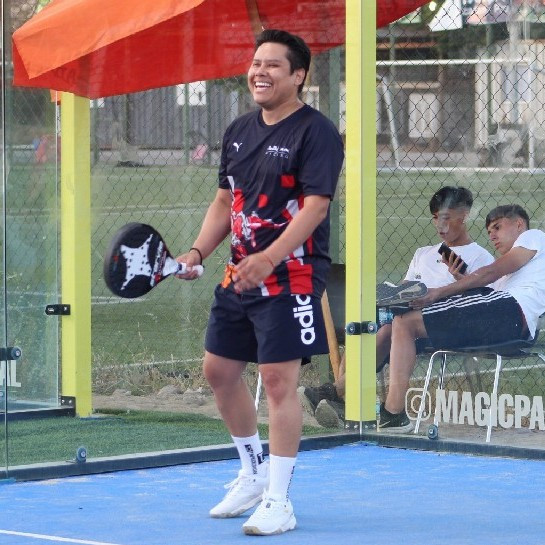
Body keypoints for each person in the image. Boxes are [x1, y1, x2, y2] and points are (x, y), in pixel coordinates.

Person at [176, 29, 344, 536]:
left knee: (276, 380)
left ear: (299, 75)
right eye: (256, 63)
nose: (260, 72)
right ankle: (252, 473)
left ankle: (278, 499)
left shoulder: (316, 132)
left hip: (292, 273)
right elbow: (225, 201)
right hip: (240, 271)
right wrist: (197, 251)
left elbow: (315, 207)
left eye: (273, 65)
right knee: (219, 371)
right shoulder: (238, 130)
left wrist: (270, 258)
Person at [298, 186, 494, 428]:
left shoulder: (481, 258)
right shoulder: (423, 253)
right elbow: (403, 288)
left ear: (463, 216)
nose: (439, 225)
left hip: (442, 326)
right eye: (435, 218)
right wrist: (393, 296)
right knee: (369, 325)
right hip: (402, 322)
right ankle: (343, 400)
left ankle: (336, 394)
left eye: (445, 218)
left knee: (389, 329)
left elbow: (482, 304)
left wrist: (459, 280)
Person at [380, 204, 545, 432]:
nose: (492, 236)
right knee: (401, 322)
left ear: (519, 224)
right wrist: (462, 278)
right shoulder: (510, 277)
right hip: (505, 320)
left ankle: (392, 413)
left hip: (510, 313)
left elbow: (490, 274)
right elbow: (483, 296)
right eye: (489, 231)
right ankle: (389, 411)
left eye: (497, 227)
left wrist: (437, 293)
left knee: (406, 321)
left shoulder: (534, 236)